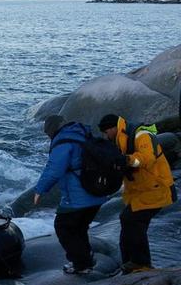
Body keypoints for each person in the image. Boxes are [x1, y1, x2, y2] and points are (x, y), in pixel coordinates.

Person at [98, 114, 175, 274]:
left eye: (106, 132)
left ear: (113, 128)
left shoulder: (141, 135)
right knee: (130, 221)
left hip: (157, 189)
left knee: (131, 220)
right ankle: (130, 262)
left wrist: (126, 160)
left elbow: (147, 159)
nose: (105, 136)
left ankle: (141, 263)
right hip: (143, 191)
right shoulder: (121, 139)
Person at [34, 115, 108, 274]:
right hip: (97, 192)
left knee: (63, 227)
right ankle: (86, 258)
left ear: (52, 130)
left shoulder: (63, 142)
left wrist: (40, 190)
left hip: (79, 196)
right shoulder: (82, 134)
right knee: (79, 228)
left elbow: (54, 170)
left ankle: (80, 264)